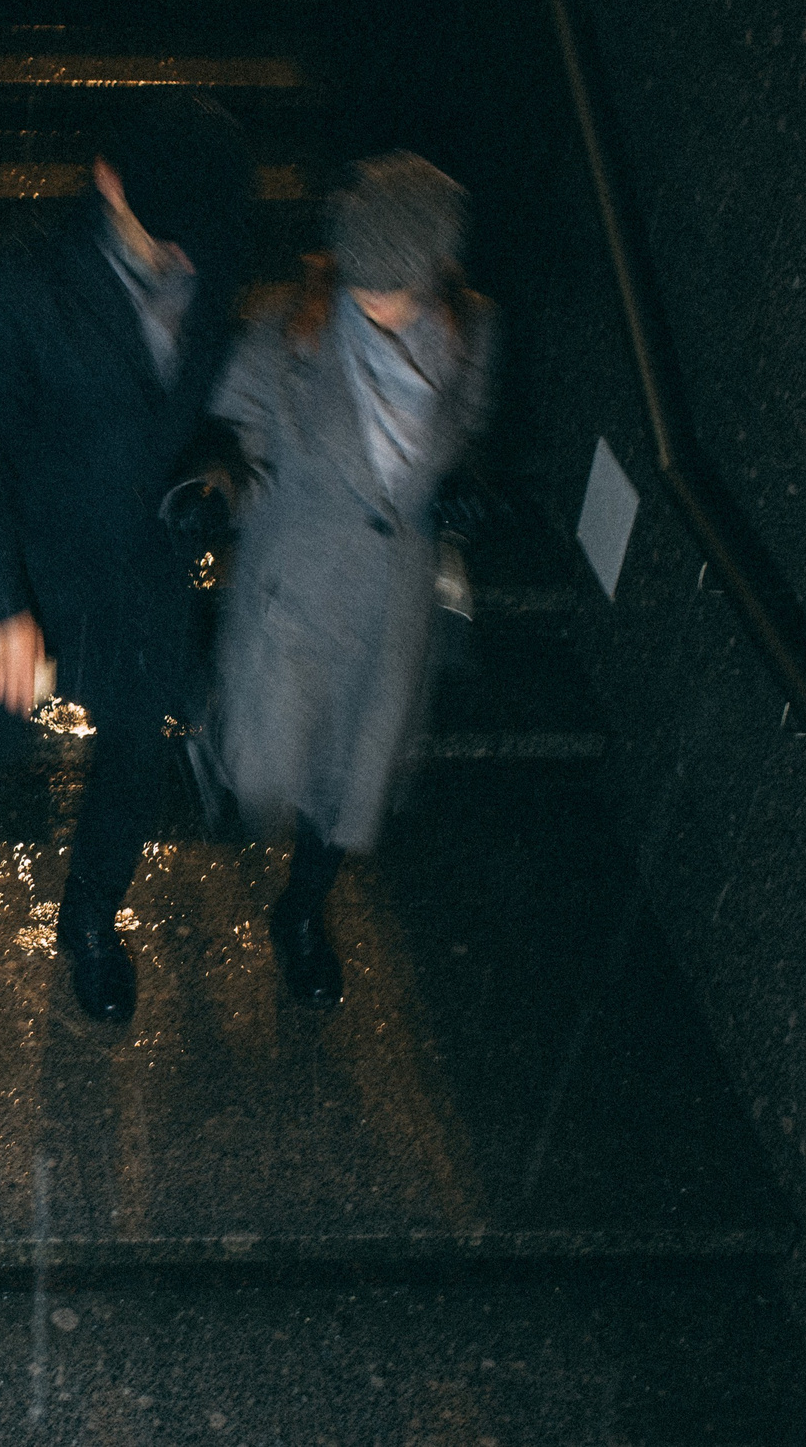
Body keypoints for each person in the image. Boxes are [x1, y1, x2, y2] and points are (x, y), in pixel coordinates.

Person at [0, 92, 254, 1024]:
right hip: (37, 561)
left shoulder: (208, 255)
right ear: (110, 183)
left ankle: (90, 919)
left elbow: (209, 414)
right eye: (166, 233)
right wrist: (3, 604)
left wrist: (216, 472)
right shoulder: (20, 279)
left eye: (198, 241)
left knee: (135, 755)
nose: (185, 258)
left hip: (146, 566)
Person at [210, 152, 498, 1009]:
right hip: (295, 581)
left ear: (436, 272)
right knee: (263, 770)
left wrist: (461, 485)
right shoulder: (288, 328)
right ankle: (213, 731)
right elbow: (234, 433)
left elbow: (464, 431)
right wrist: (217, 483)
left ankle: (301, 914)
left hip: (388, 599)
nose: (376, 302)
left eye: (397, 287)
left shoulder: (473, 332)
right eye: (364, 281)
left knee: (348, 783)